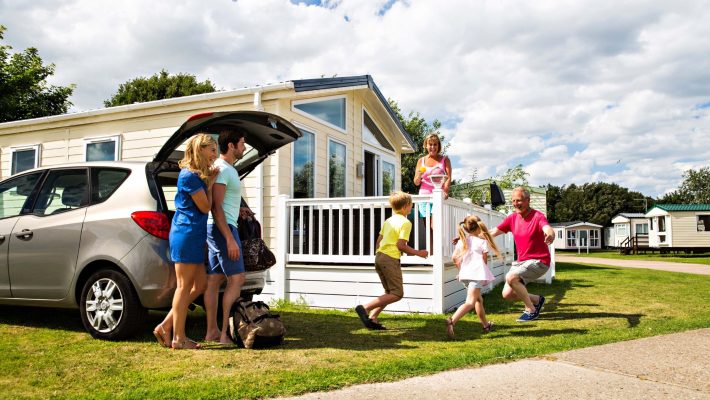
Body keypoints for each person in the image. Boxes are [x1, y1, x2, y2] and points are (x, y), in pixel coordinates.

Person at [153, 133, 218, 349]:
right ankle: (178, 338)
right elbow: (205, 207)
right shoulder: (188, 175)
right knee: (183, 286)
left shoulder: (196, 175)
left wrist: (208, 179)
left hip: (194, 234)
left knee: (199, 284)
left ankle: (165, 325)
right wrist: (211, 183)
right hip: (186, 233)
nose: (214, 155)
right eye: (212, 150)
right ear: (200, 149)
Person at [355, 191, 428, 330]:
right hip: (389, 259)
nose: (411, 208)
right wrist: (419, 253)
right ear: (406, 206)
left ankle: (373, 317)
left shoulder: (388, 220)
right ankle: (365, 308)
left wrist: (381, 255)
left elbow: (378, 241)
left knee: (389, 292)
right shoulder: (405, 223)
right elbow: (401, 245)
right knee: (397, 293)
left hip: (380, 257)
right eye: (411, 205)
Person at [203, 129, 248, 345]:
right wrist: (230, 238)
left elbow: (223, 203)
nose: (244, 147)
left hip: (217, 227)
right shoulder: (223, 169)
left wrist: (239, 211)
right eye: (242, 143)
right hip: (224, 229)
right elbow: (216, 206)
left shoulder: (226, 169)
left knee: (213, 280)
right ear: (231, 146)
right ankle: (224, 334)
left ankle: (212, 331)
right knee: (237, 278)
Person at [489, 187, 554, 322]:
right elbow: (493, 232)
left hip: (540, 261)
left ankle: (531, 310)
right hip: (521, 262)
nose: (515, 203)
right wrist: (466, 237)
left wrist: (550, 234)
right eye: (513, 201)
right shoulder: (512, 218)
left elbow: (547, 228)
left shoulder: (537, 216)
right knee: (507, 294)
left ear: (528, 200)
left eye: (519, 200)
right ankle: (537, 300)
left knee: (511, 277)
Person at [445, 215, 501, 338]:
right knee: (470, 302)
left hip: (464, 275)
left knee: (478, 300)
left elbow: (454, 258)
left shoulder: (462, 241)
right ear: (478, 227)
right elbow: (484, 262)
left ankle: (486, 325)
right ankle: (452, 321)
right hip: (476, 275)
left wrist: (461, 271)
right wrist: (483, 274)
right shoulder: (482, 242)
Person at [412, 133, 452, 251]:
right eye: (430, 144)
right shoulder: (421, 161)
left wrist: (445, 190)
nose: (432, 147)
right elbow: (416, 182)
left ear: (438, 146)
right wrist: (418, 175)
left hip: (437, 194)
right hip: (424, 195)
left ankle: (438, 251)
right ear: (426, 145)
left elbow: (448, 177)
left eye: (435, 144)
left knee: (435, 225)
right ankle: (431, 253)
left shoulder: (445, 159)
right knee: (427, 227)